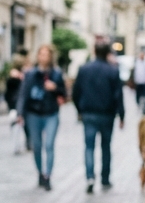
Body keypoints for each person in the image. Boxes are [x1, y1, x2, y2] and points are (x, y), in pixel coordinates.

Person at [72, 42, 126, 194]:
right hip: (107, 114)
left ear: (94, 51)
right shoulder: (112, 71)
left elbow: (76, 92)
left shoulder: (84, 69)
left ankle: (90, 177)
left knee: (89, 147)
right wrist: (121, 115)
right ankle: (105, 177)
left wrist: (79, 109)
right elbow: (118, 95)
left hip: (89, 113)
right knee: (106, 147)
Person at [16, 44, 66, 190]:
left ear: (51, 57)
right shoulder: (30, 74)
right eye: (41, 54)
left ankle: (48, 175)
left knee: (49, 145)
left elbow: (64, 93)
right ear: (38, 56)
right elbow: (23, 94)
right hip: (34, 113)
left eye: (46, 54)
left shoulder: (56, 74)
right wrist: (20, 113)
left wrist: (55, 88)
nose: (44, 57)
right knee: (37, 146)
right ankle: (40, 173)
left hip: (51, 113)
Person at [6, 50, 27, 154]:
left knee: (17, 126)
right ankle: (16, 146)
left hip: (14, 104)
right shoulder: (16, 76)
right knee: (16, 126)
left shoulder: (20, 75)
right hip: (15, 104)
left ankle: (18, 145)